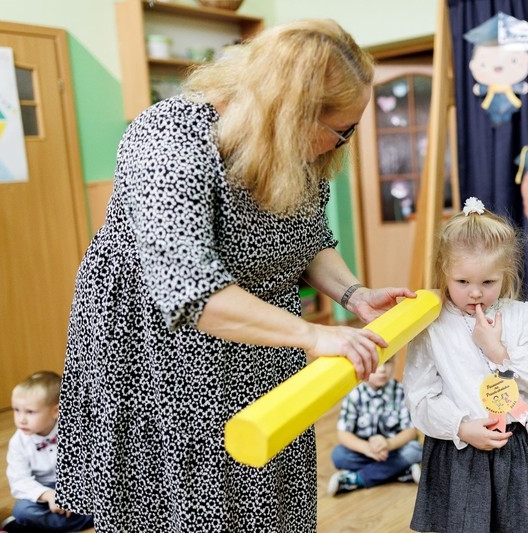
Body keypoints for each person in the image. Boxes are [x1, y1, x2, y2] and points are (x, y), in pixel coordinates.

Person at [55, 19, 415, 533]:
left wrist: (354, 295)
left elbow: (307, 239)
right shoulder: (170, 138)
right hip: (164, 350)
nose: (344, 143)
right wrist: (314, 335)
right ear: (290, 114)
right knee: (191, 500)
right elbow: (191, 292)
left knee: (266, 484)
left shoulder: (296, 152)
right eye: (342, 130)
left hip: (263, 338)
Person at [403, 197, 528, 532]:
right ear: (444, 271)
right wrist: (460, 428)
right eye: (463, 282)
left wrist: (497, 351)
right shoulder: (431, 324)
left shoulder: (520, 315)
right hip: (454, 449)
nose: (475, 293)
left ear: (505, 275)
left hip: (507, 446)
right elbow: (420, 396)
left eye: (488, 283)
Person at [3, 371, 93, 533]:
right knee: (22, 510)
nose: (21, 419)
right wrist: (49, 494)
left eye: (30, 412)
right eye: (16, 410)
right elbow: (19, 481)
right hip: (43, 490)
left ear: (56, 411)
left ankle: (40, 526)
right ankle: (90, 518)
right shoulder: (18, 442)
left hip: (78, 485)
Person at [327, 356, 423, 495]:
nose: (382, 369)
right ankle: (400, 471)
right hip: (365, 452)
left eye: (387, 362)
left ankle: (355, 479)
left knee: (415, 450)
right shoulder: (353, 394)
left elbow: (411, 431)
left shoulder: (400, 391)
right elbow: (343, 434)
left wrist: (388, 444)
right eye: (375, 364)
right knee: (339, 455)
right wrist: (366, 448)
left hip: (393, 449)